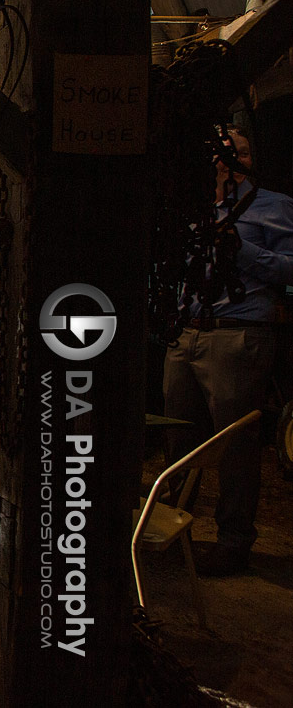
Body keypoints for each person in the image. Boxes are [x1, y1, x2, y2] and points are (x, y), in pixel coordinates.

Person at [163, 125, 293, 576]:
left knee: (235, 445)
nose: (223, 158)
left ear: (249, 159)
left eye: (233, 151)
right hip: (187, 332)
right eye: (217, 151)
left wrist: (245, 253)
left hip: (238, 334)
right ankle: (171, 531)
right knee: (177, 439)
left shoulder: (276, 207)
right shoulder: (191, 208)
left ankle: (234, 541)